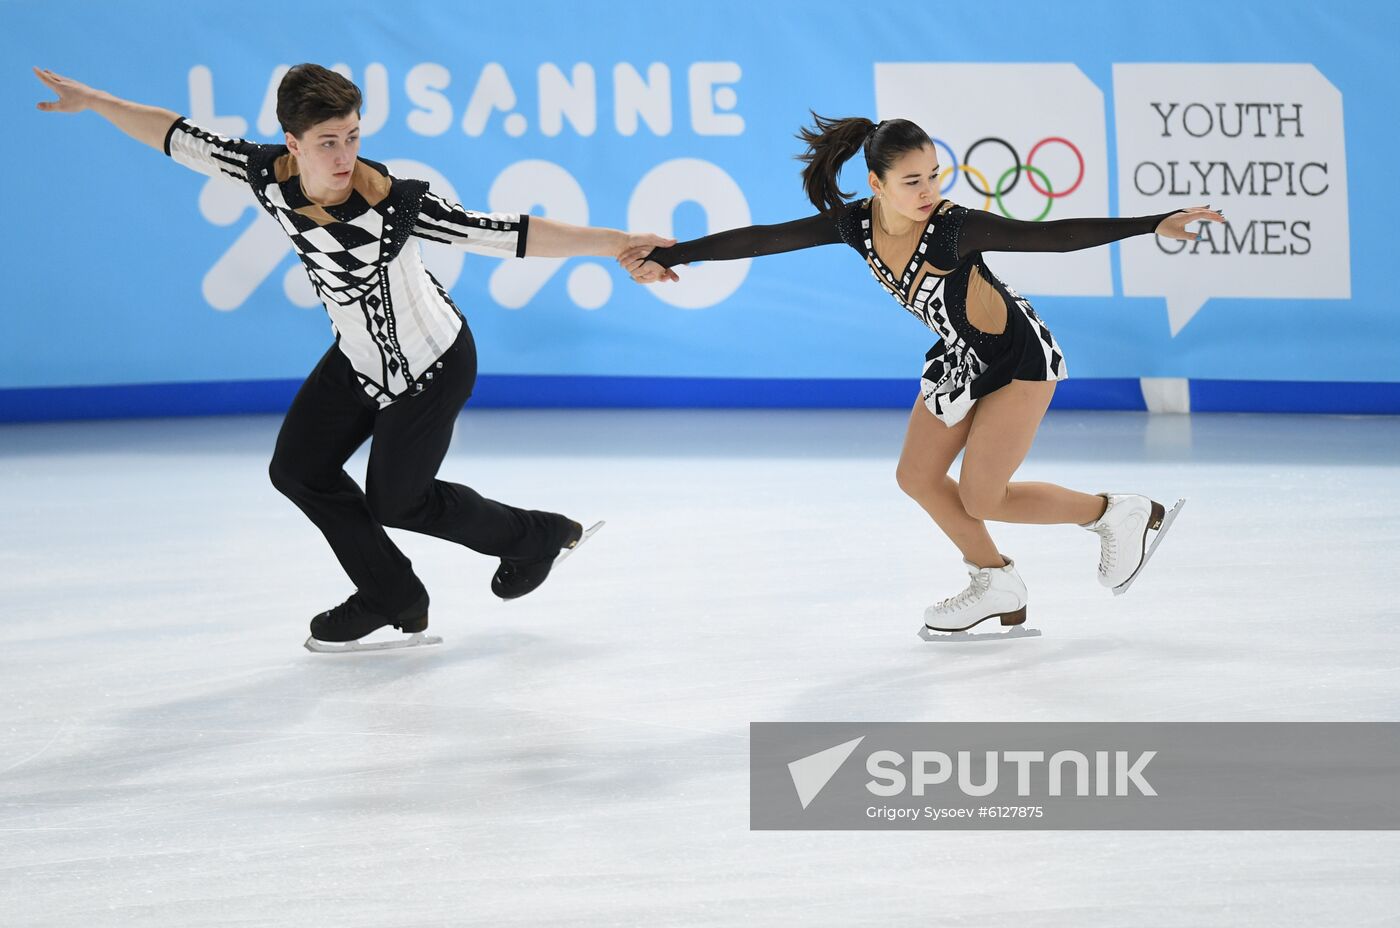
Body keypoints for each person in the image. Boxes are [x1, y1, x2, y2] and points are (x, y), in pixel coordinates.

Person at [33, 64, 674, 649]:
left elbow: (510, 233)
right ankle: (392, 594)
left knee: (398, 501)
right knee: (297, 470)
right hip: (358, 359)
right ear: (294, 144)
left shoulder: (395, 204)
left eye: (353, 136)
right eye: (328, 143)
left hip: (432, 368)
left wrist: (622, 245)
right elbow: (175, 134)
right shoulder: (266, 175)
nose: (345, 156)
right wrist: (94, 101)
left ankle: (539, 535)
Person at [620, 115, 1221, 636]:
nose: (929, 189)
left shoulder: (956, 227)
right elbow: (768, 239)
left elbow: (1052, 238)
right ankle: (995, 582)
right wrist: (671, 255)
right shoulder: (855, 226)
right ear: (876, 184)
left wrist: (1152, 223)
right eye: (912, 181)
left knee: (986, 494)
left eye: (934, 174)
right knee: (917, 475)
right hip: (962, 359)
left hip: (1017, 362)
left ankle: (1115, 513)